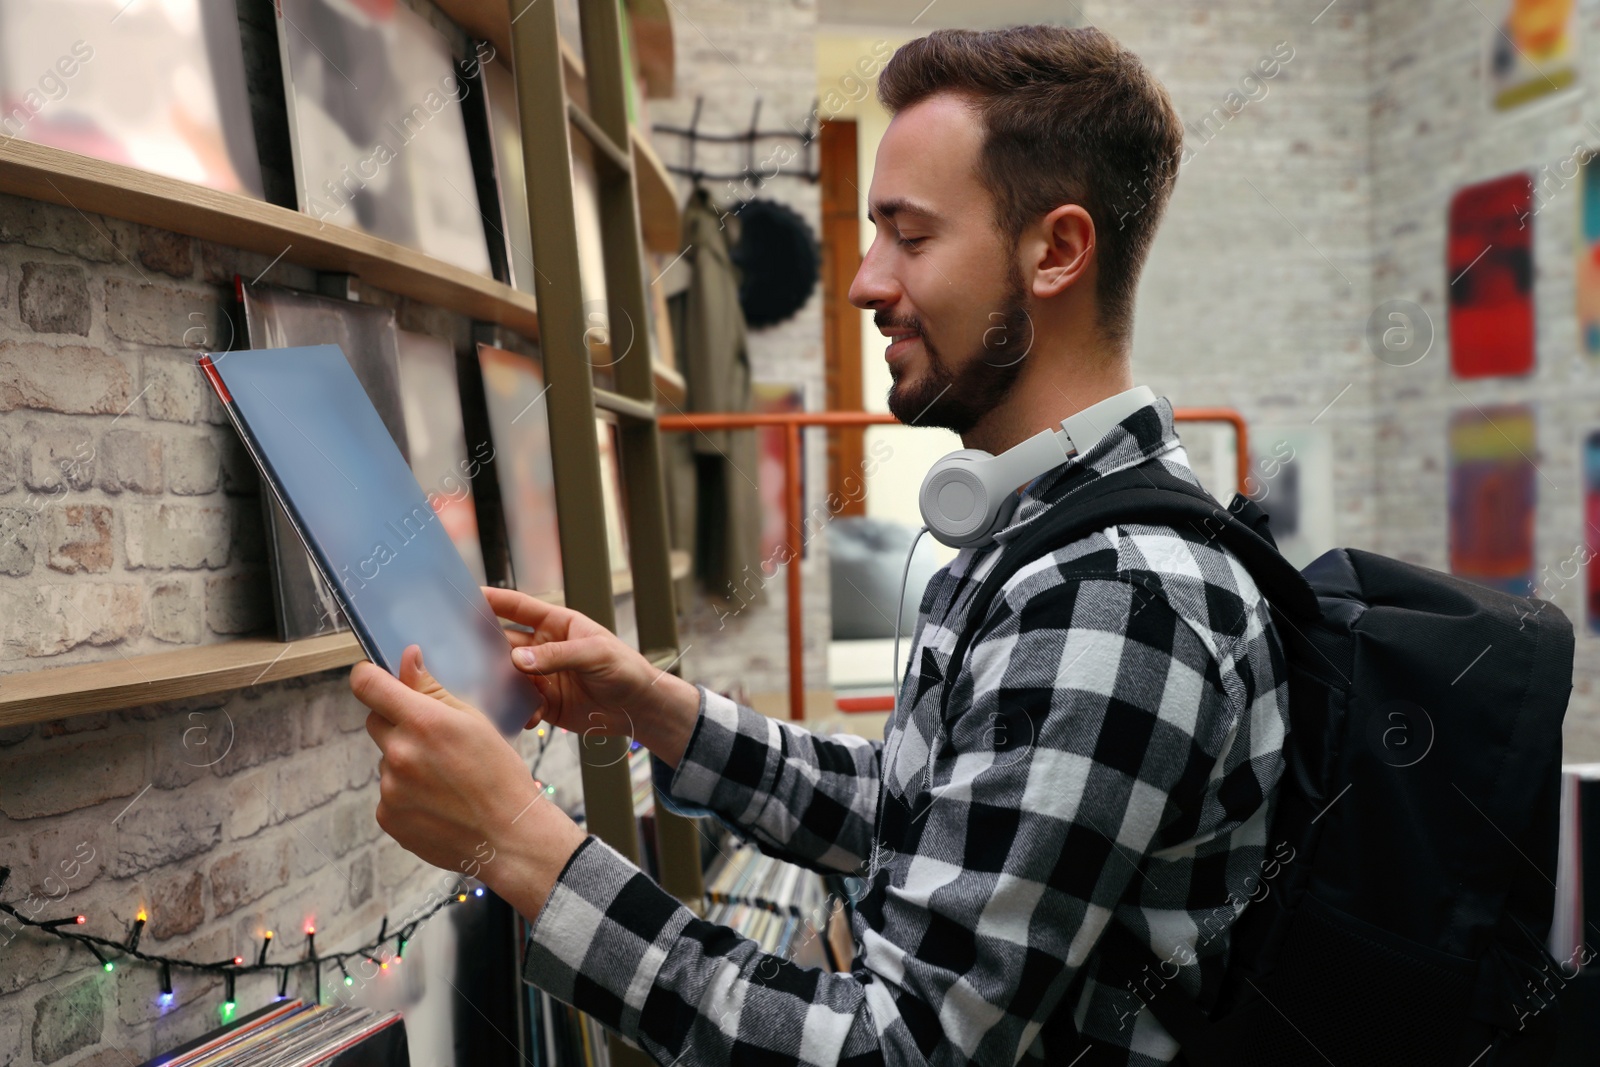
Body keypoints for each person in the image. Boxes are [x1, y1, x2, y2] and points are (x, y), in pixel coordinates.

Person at [351, 25, 1287, 1066]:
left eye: (910, 236)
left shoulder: (1115, 597)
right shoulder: (1040, 528)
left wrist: (522, 843)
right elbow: (924, 810)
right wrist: (654, 708)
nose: (863, 281)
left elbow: (898, 1051)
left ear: (1057, 250)